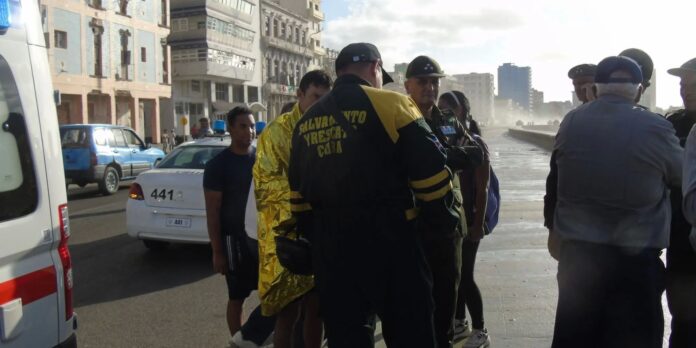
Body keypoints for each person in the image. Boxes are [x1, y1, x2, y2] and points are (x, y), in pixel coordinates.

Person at [288, 42, 460, 347]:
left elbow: (299, 199)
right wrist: (439, 233)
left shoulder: (306, 122)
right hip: (391, 244)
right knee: (412, 333)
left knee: (347, 336)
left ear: (338, 72)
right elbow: (432, 180)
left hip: (333, 252)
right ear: (375, 68)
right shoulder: (392, 105)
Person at [549, 56, 683, 348]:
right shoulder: (655, 127)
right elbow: (681, 175)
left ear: (597, 88)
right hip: (633, 266)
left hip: (578, 262)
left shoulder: (571, 121)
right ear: (638, 90)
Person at [403, 55, 483, 348]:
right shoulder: (399, 120)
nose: (430, 88)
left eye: (434, 82)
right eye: (422, 82)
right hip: (411, 223)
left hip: (448, 222)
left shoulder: (448, 120)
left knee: (446, 298)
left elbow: (476, 154)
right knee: (413, 302)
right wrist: (449, 157)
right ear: (407, 85)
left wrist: (438, 157)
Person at [254, 70, 332, 348]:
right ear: (299, 95)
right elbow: (266, 185)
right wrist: (308, 201)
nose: (320, 104)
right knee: (287, 311)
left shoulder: (331, 128)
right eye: (315, 97)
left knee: (317, 309)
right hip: (287, 234)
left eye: (325, 98)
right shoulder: (277, 132)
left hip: (322, 233)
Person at [203, 107, 275, 348]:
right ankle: (239, 340)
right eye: (243, 126)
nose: (250, 131)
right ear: (231, 129)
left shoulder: (261, 159)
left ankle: (253, 337)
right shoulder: (218, 166)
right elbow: (212, 211)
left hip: (262, 239)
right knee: (237, 297)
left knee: (272, 293)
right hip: (234, 241)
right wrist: (217, 251)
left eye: (252, 126)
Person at [438, 90, 491, 347]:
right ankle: (460, 322)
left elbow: (483, 187)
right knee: (455, 274)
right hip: (452, 220)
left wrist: (478, 223)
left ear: (462, 112)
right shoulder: (442, 141)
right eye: (441, 108)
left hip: (469, 220)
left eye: (450, 108)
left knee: (466, 276)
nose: (444, 113)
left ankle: (480, 329)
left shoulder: (475, 144)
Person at [545, 63, 597, 257]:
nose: (580, 89)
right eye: (576, 85)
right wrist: (551, 223)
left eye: (585, 83)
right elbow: (556, 175)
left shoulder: (625, 118)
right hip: (573, 223)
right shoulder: (571, 120)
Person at [667, 57, 696, 348]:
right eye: (682, 85)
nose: (685, 91)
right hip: (680, 240)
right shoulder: (671, 125)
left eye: (693, 85)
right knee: (684, 323)